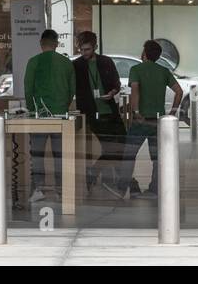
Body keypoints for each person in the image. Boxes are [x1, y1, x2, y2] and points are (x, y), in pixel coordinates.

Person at [120, 39, 183, 199]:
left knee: (129, 154)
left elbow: (135, 90)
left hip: (140, 120)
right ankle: (154, 190)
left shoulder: (136, 69)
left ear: (145, 53)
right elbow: (179, 92)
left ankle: (121, 189)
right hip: (158, 120)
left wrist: (136, 111)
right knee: (157, 157)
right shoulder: (163, 71)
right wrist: (172, 113)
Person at [23, 28, 76, 203]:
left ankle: (38, 188)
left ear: (41, 43)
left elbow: (28, 89)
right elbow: (72, 91)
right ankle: (61, 191)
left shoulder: (33, 62)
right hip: (61, 114)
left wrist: (33, 110)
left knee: (37, 153)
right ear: (56, 44)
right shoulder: (67, 63)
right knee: (60, 154)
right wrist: (63, 106)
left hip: (40, 114)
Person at [72, 31, 125, 199]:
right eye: (81, 49)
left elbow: (116, 82)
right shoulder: (77, 65)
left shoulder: (106, 61)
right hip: (91, 111)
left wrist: (112, 92)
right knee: (110, 147)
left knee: (123, 143)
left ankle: (96, 172)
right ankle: (116, 181)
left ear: (95, 47)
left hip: (110, 109)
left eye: (87, 49)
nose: (84, 53)